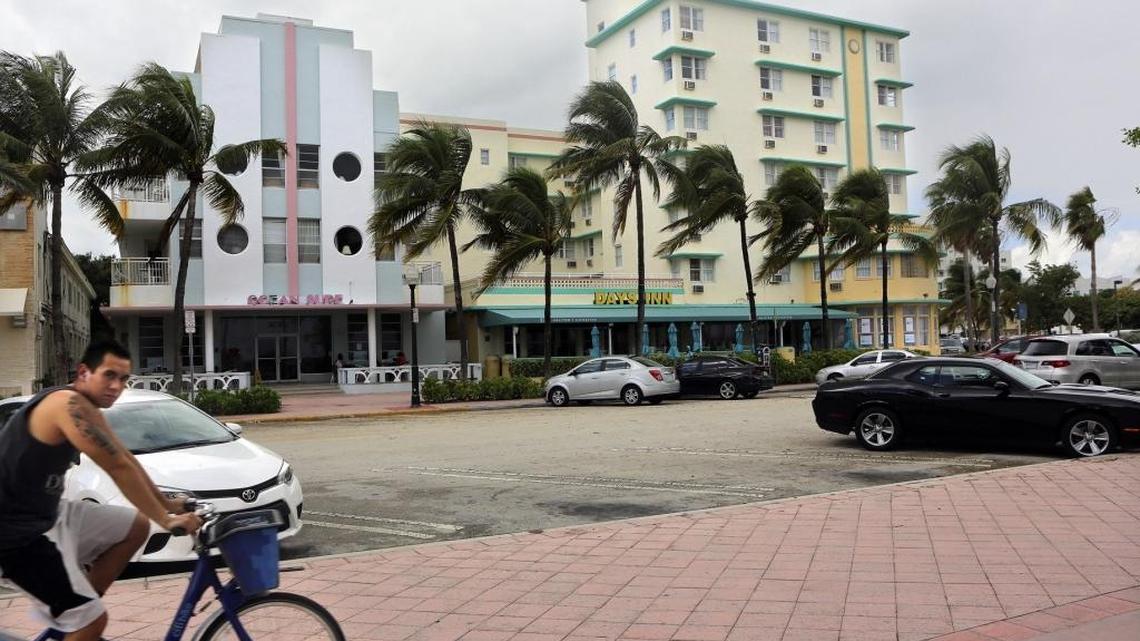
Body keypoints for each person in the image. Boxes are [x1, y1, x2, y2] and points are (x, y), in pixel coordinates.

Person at [0, 340, 202, 641]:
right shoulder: (66, 406)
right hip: (16, 534)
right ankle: (80, 621)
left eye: (123, 379)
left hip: (50, 515)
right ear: (83, 372)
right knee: (91, 623)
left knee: (135, 526)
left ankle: (75, 612)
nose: (116, 386)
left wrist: (167, 504)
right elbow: (116, 468)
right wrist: (166, 520)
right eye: (109, 375)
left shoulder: (89, 409)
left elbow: (126, 458)